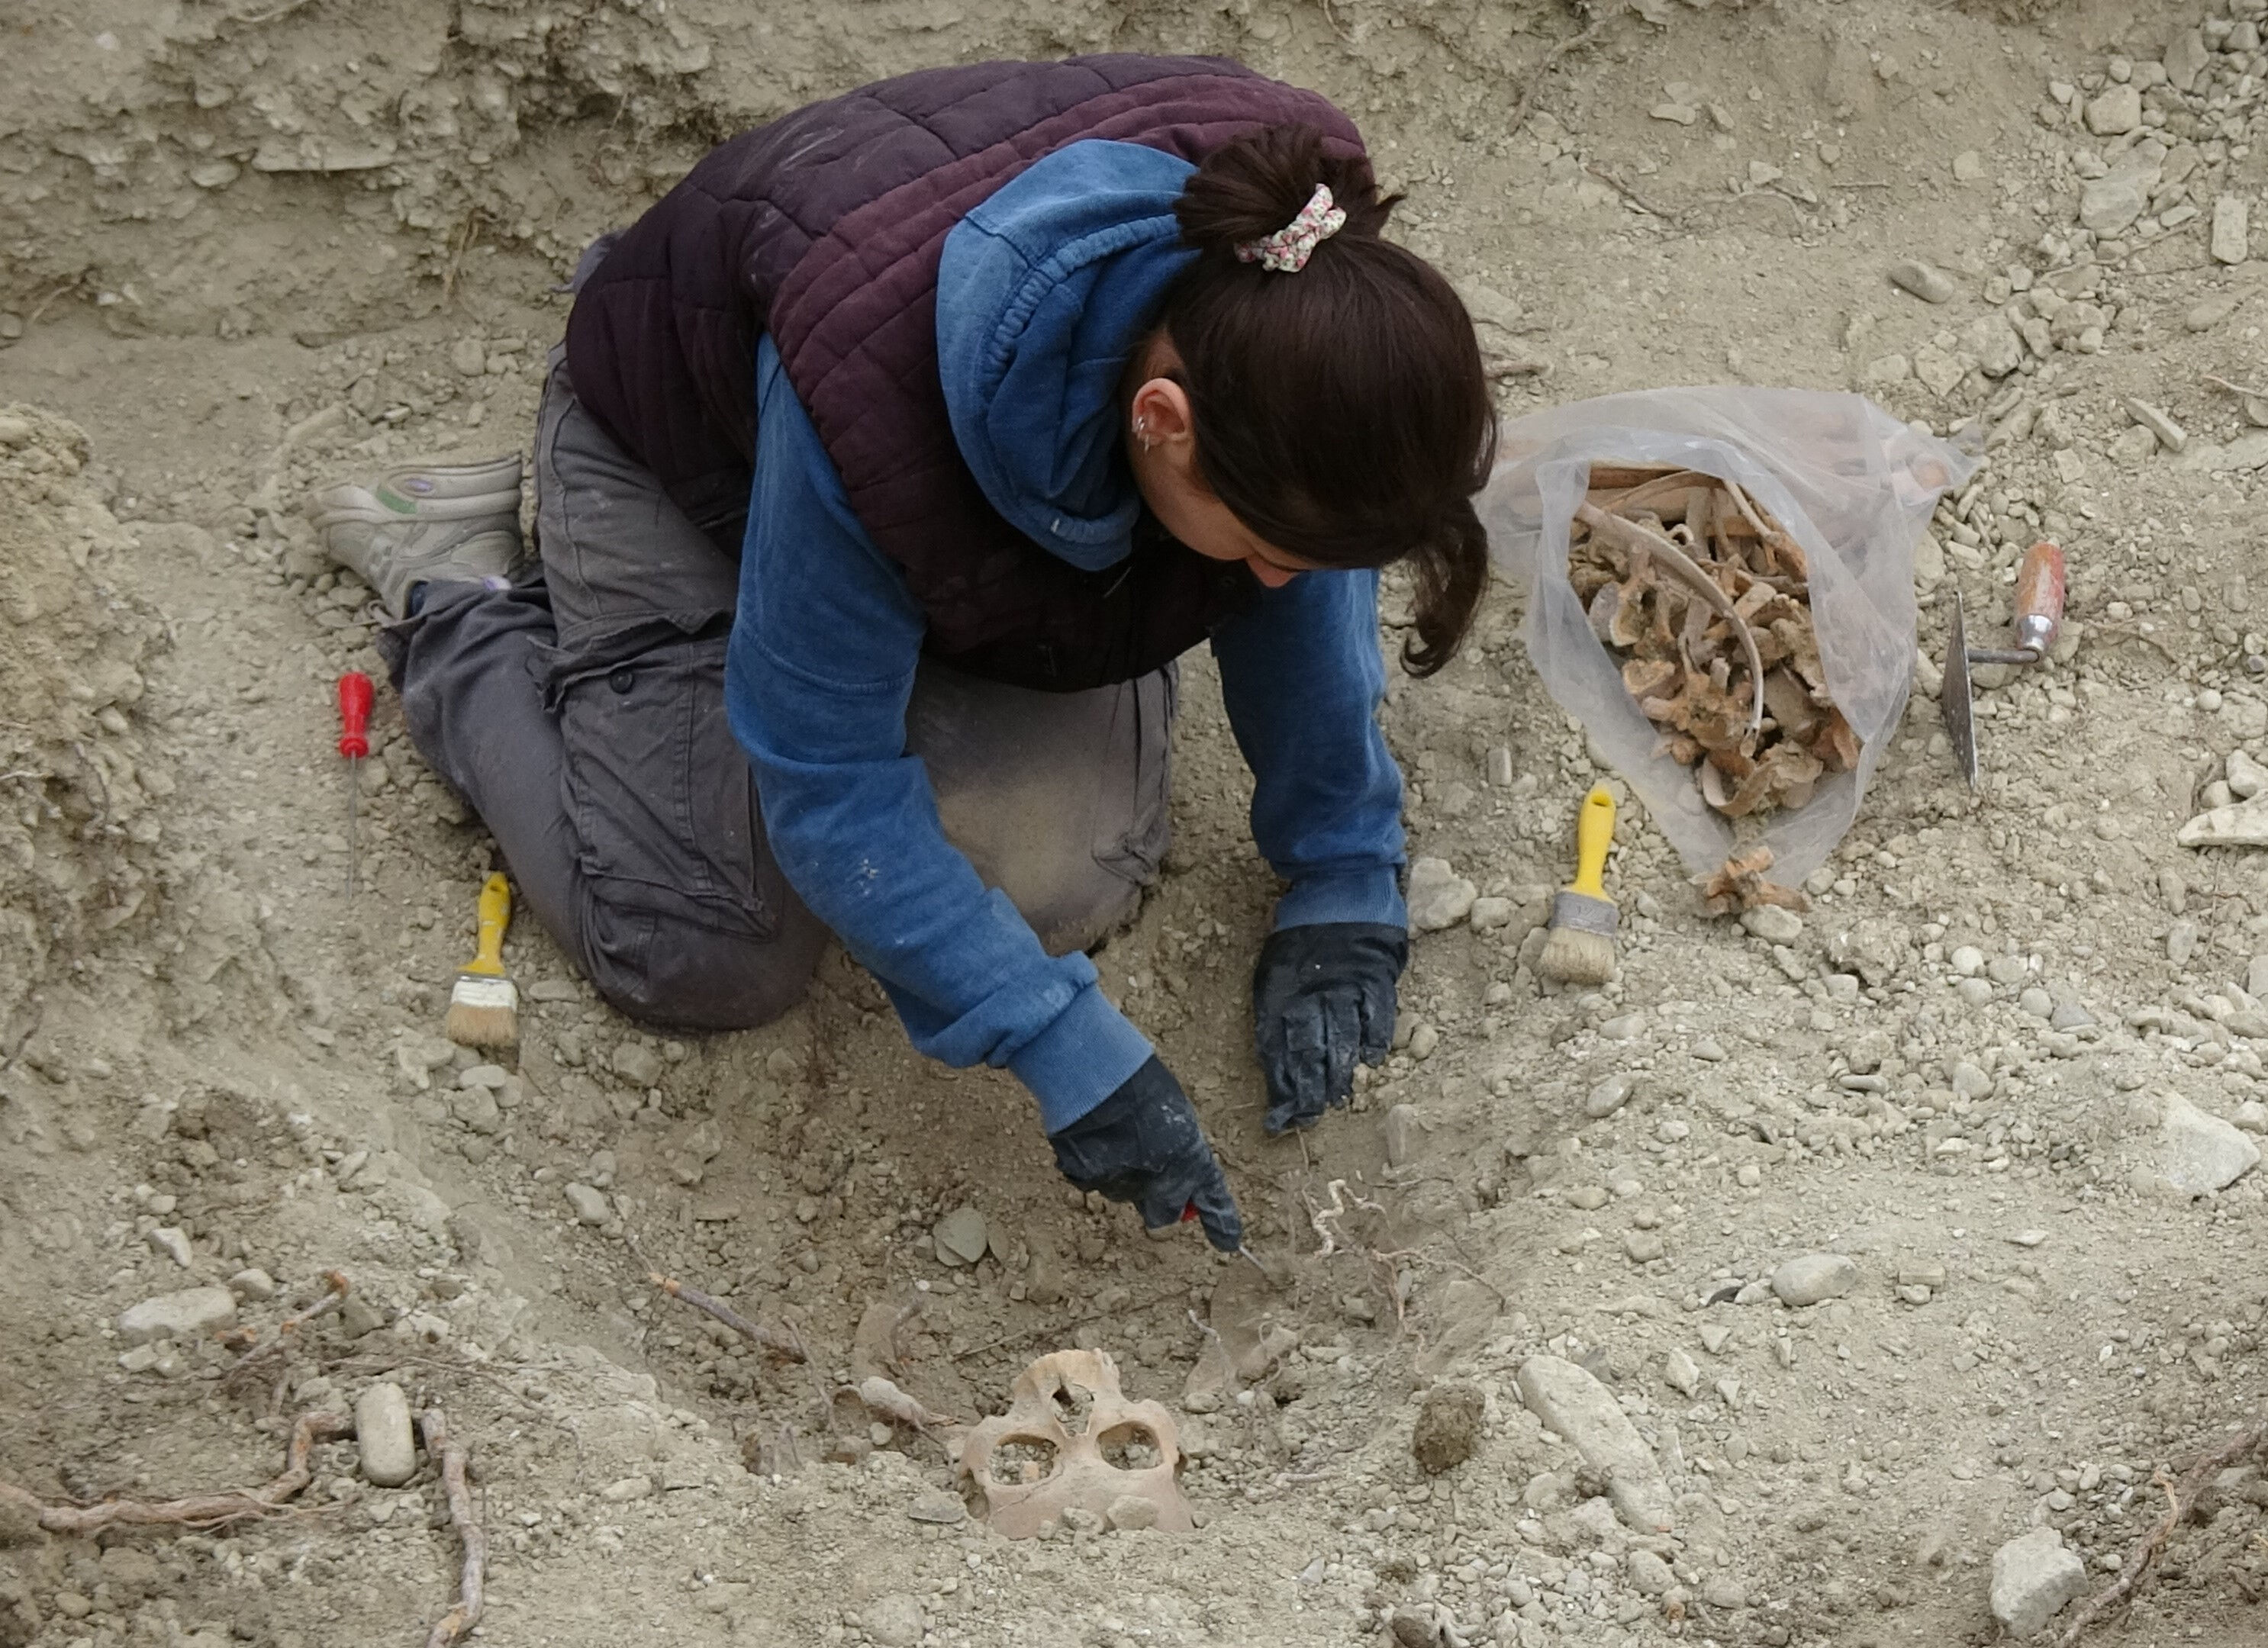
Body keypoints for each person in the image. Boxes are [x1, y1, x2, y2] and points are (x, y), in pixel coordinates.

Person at [309, 56, 1496, 1253]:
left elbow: (1304, 559)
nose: (1287, 584)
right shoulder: (873, 402)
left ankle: (901, 611)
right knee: (704, 943)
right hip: (678, 448)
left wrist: (1343, 870)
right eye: (1268, 546)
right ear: (1162, 424)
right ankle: (454, 583)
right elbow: (826, 775)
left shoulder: (1298, 264)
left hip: (947, 469)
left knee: (1063, 878)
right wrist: (1061, 1044)